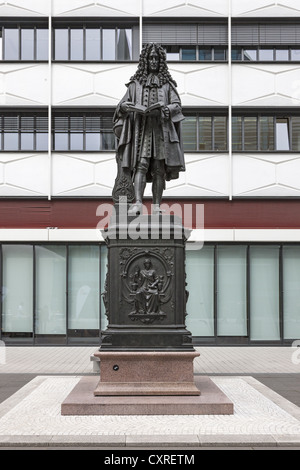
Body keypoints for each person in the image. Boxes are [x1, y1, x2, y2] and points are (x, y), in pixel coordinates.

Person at [112, 43, 185, 215]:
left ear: (161, 61)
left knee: (158, 168)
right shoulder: (135, 84)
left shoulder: (167, 85)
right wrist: (124, 107)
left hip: (161, 131)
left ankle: (157, 205)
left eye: (156, 58)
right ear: (145, 60)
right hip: (141, 131)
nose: (153, 61)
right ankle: (137, 202)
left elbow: (177, 105)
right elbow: (121, 106)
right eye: (150, 58)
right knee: (141, 165)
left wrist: (166, 109)